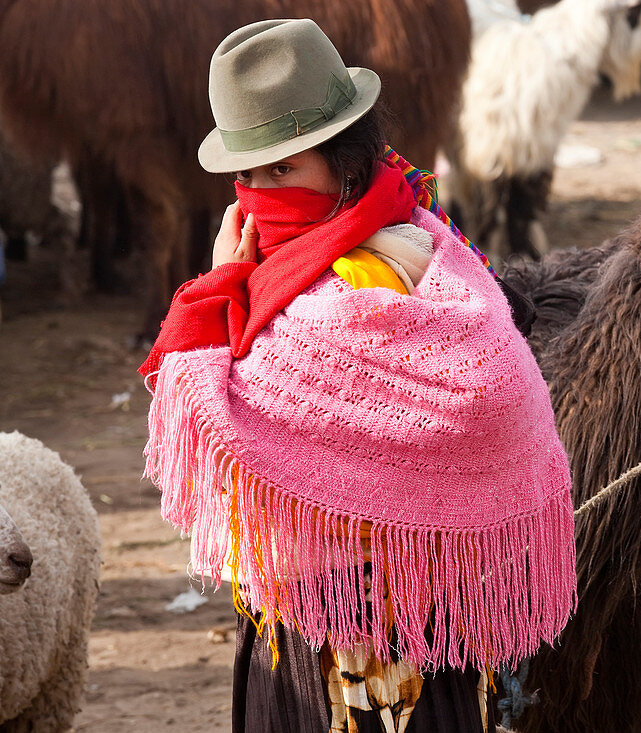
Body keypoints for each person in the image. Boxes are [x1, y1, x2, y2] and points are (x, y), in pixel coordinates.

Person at [139, 19, 575, 732]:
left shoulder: (381, 270)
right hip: (297, 628)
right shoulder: (408, 230)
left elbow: (221, 409)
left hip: (381, 643)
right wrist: (232, 284)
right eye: (248, 174)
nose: (261, 192)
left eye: (285, 169)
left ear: (343, 162)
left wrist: (221, 286)